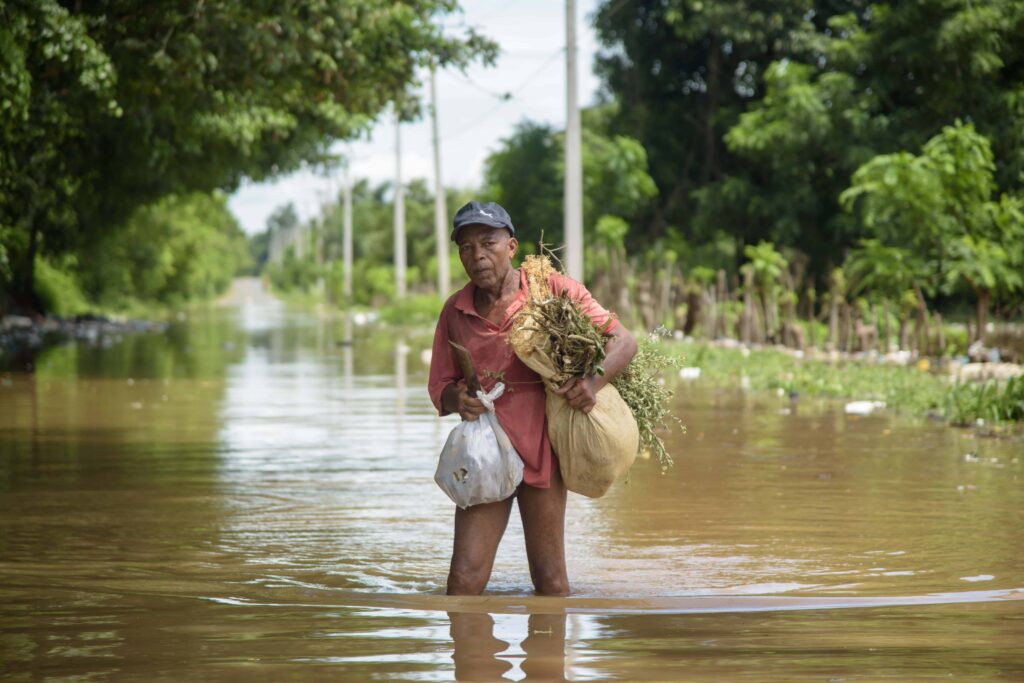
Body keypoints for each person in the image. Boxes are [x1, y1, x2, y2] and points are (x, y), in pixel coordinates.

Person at [428, 201, 637, 596]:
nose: (478, 255)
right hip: (487, 453)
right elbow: (439, 385)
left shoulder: (552, 292)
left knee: (551, 581)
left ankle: (546, 657)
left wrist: (590, 382)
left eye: (488, 243)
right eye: (466, 248)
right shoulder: (456, 310)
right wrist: (459, 399)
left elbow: (623, 342)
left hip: (546, 448)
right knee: (463, 582)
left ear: (512, 246)